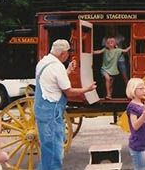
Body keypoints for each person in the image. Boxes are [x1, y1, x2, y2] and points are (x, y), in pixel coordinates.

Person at [34, 39, 97, 170]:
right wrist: (87, 89)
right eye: (68, 53)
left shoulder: (43, 62)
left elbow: (54, 81)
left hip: (43, 109)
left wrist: (67, 71)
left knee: (48, 150)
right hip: (52, 112)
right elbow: (68, 92)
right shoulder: (57, 67)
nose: (68, 55)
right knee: (53, 153)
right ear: (63, 54)